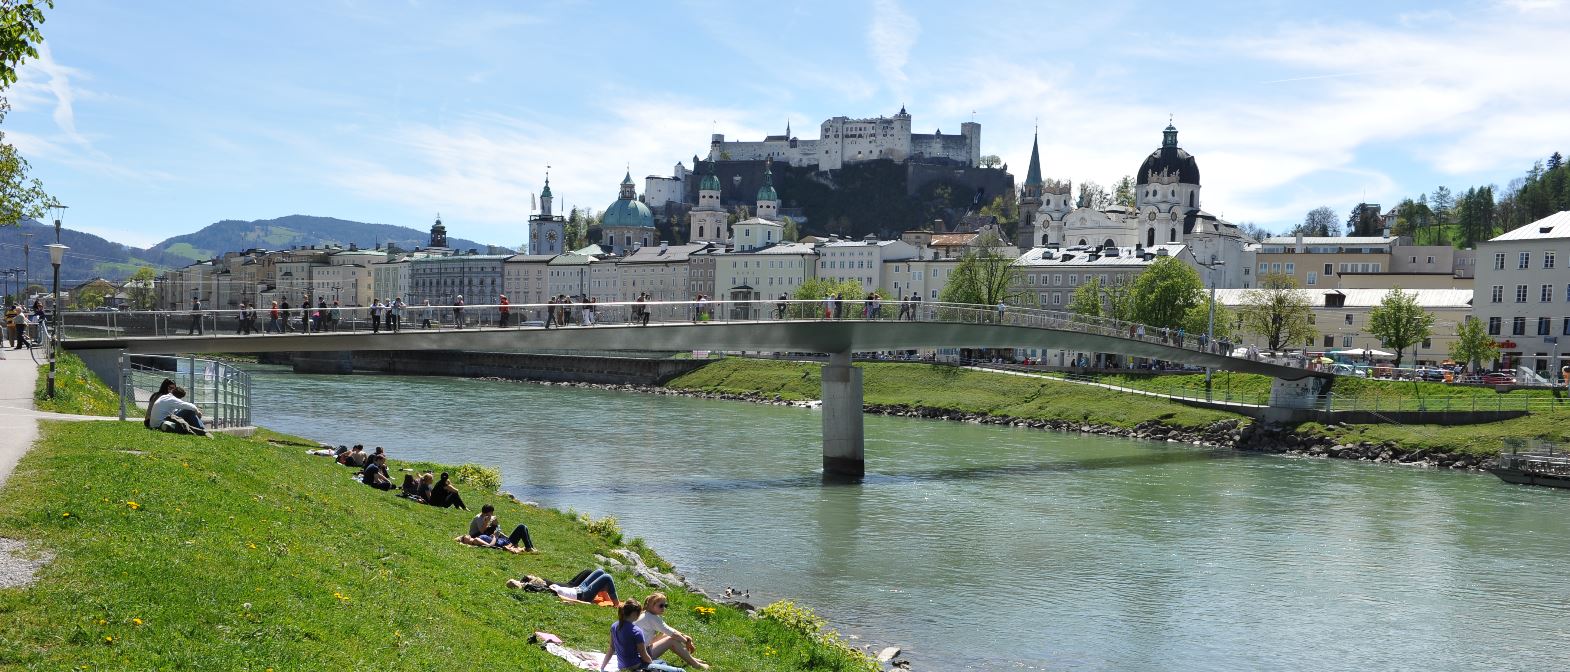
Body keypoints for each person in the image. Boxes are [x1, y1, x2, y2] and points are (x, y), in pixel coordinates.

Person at [599, 599, 682, 672]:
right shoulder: (636, 631)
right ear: (635, 614)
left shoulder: (614, 626)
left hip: (622, 666)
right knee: (680, 670)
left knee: (661, 662)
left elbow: (611, 648)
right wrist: (651, 663)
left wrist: (602, 667)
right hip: (635, 667)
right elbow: (644, 655)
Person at [635, 593, 709, 669]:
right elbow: (674, 634)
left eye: (665, 605)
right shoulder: (652, 618)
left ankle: (690, 658)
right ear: (651, 605)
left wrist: (685, 637)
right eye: (661, 606)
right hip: (640, 655)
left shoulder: (646, 614)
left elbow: (670, 630)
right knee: (671, 640)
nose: (663, 608)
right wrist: (687, 642)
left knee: (666, 635)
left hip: (639, 650)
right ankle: (696, 665)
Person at [458, 504, 536, 553]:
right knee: (522, 527)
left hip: (500, 540)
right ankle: (529, 548)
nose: (492, 514)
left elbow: (496, 529)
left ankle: (530, 547)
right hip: (478, 534)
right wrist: (494, 535)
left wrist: (495, 523)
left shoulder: (479, 538)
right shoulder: (479, 519)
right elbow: (483, 533)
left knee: (523, 527)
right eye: (491, 513)